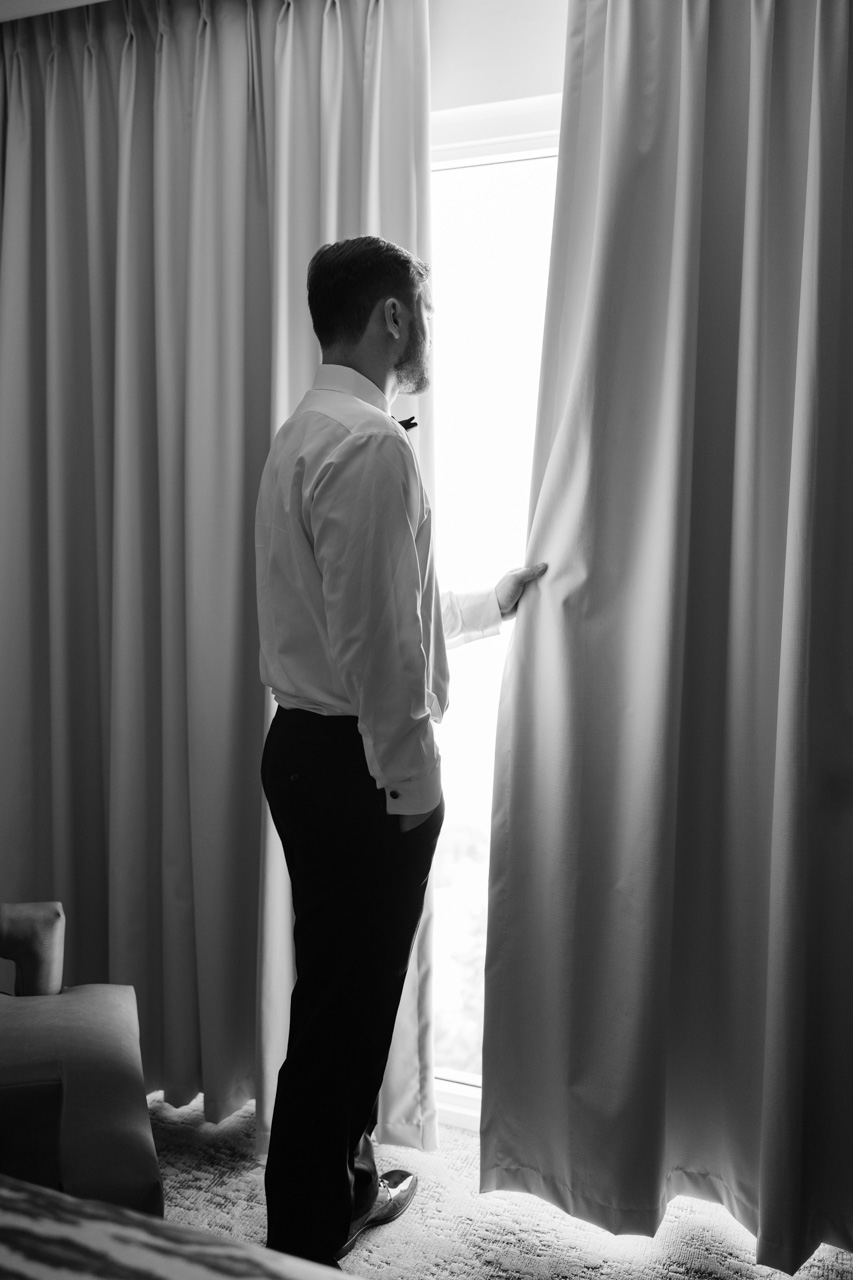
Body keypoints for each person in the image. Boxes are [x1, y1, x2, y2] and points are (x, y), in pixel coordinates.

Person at [255, 235, 546, 1269]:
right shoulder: (370, 446)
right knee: (348, 1001)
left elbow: (380, 613)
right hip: (356, 767)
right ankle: (304, 1228)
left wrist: (488, 604)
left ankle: (339, 1182)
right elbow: (378, 647)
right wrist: (413, 788)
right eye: (419, 310)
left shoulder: (302, 432)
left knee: (337, 990)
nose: (425, 331)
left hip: (307, 751)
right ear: (390, 316)